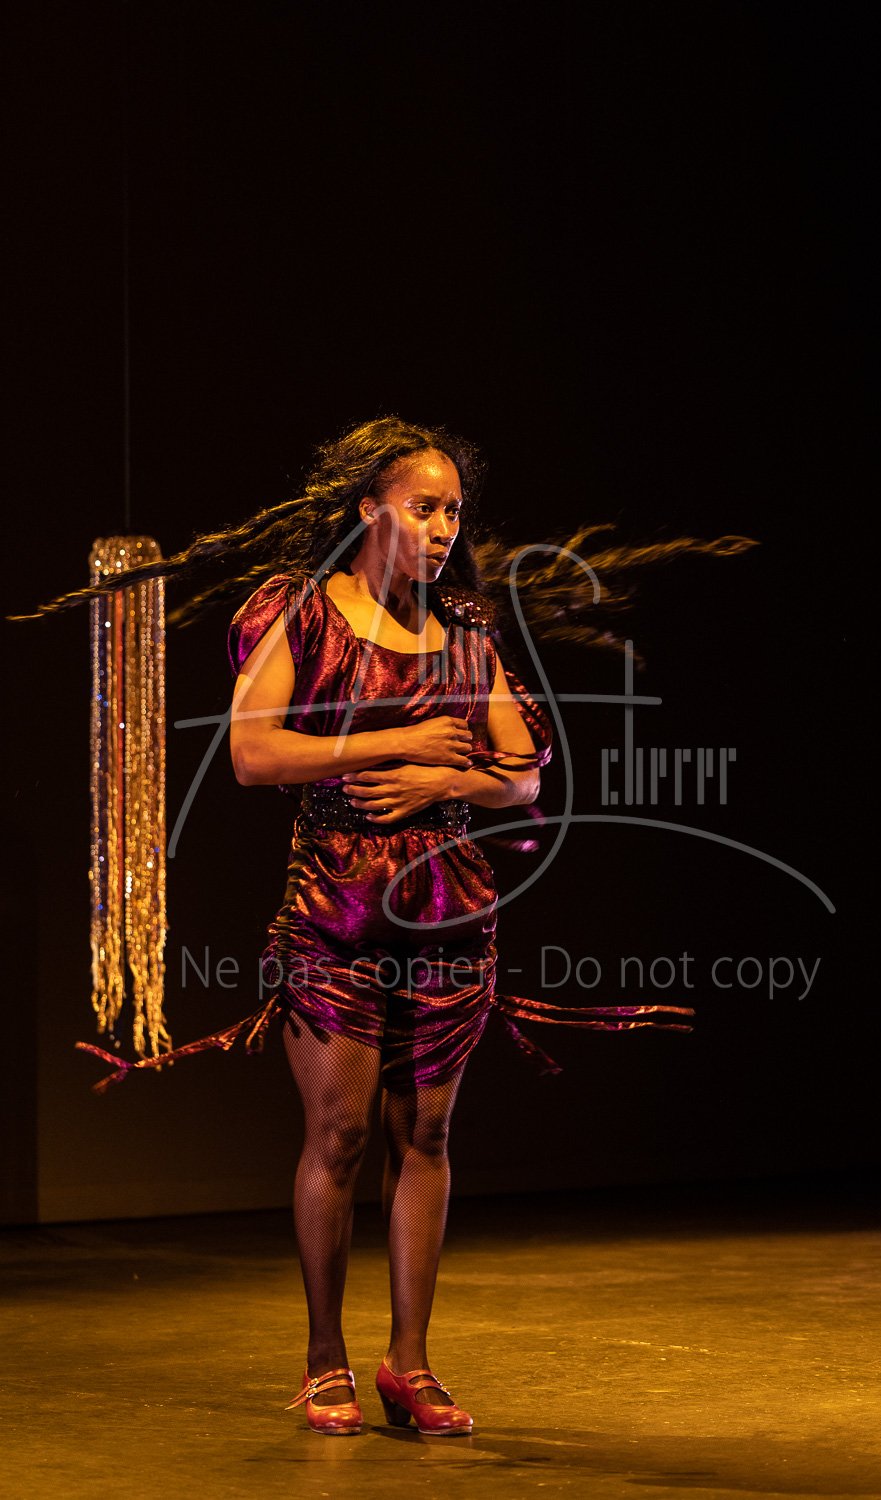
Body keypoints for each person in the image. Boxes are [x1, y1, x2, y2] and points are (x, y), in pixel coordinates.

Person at [13, 416, 754, 1437]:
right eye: (424, 506)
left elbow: (523, 776)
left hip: (449, 914)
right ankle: (325, 1359)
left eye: (455, 511)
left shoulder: (466, 630)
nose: (445, 527)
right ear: (368, 507)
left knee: (428, 1133)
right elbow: (253, 755)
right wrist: (396, 743)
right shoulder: (302, 611)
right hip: (337, 908)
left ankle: (411, 1361)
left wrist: (445, 780)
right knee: (342, 1132)